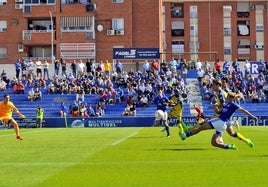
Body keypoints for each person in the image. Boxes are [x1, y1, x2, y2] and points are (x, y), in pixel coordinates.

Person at [179, 92, 258, 150]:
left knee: (201, 127)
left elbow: (243, 110)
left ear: (230, 98)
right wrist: (214, 107)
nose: (226, 99)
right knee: (214, 143)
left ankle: (185, 136)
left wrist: (252, 116)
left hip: (220, 121)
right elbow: (219, 112)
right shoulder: (226, 105)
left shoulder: (233, 105)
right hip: (222, 125)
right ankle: (230, 147)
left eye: (227, 98)